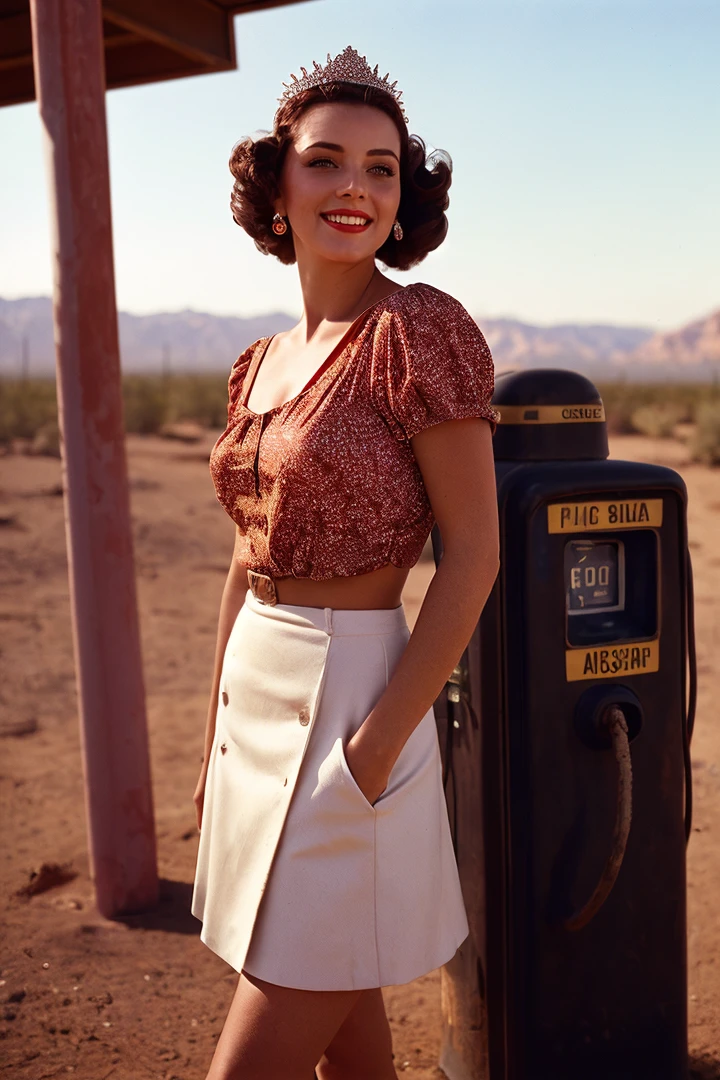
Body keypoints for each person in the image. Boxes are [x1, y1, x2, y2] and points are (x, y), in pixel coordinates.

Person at [190, 46, 501, 1080]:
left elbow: (475, 556)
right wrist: (214, 730)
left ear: (402, 195)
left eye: (381, 168)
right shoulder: (258, 363)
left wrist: (373, 748)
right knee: (350, 1041)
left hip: (357, 695)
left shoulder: (418, 332)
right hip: (257, 689)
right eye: (326, 162)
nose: (355, 189)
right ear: (278, 186)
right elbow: (250, 546)